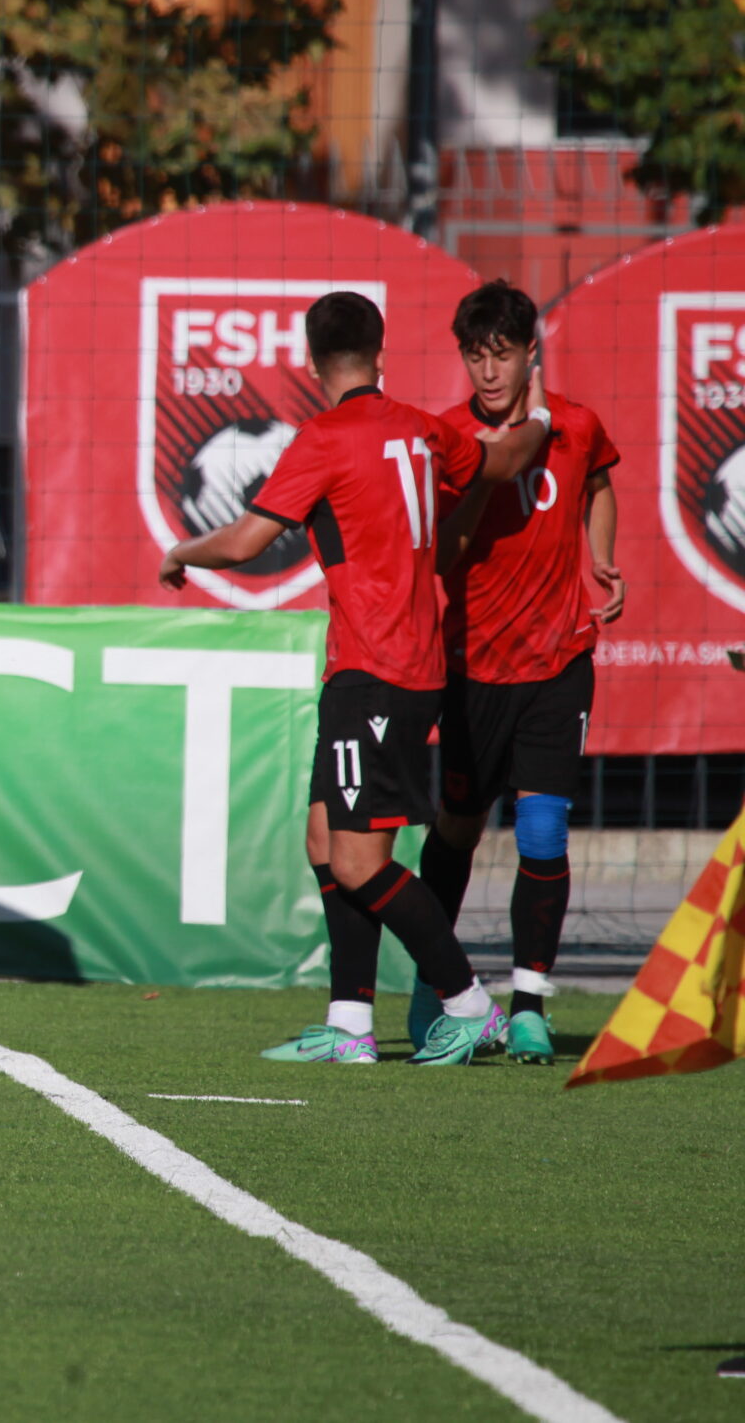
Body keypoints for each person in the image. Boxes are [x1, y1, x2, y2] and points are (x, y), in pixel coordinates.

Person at [155, 290, 549, 1065]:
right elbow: (502, 459)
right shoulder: (422, 427)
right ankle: (350, 1021)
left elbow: (243, 542)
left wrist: (179, 554)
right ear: (380, 354)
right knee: (322, 836)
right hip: (404, 665)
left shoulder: (324, 438)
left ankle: (470, 1003)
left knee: (358, 862)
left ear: (311, 362)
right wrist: (538, 419)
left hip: (376, 668)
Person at [407, 281, 622, 1065]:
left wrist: (600, 558)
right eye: (475, 354)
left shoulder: (577, 426)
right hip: (472, 669)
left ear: (532, 351)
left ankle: (529, 1000)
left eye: (502, 354)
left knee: (541, 826)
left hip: (558, 660)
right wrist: (482, 481)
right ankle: (438, 984)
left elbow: (598, 484)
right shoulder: (450, 440)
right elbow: (443, 552)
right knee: (459, 826)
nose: (488, 370)